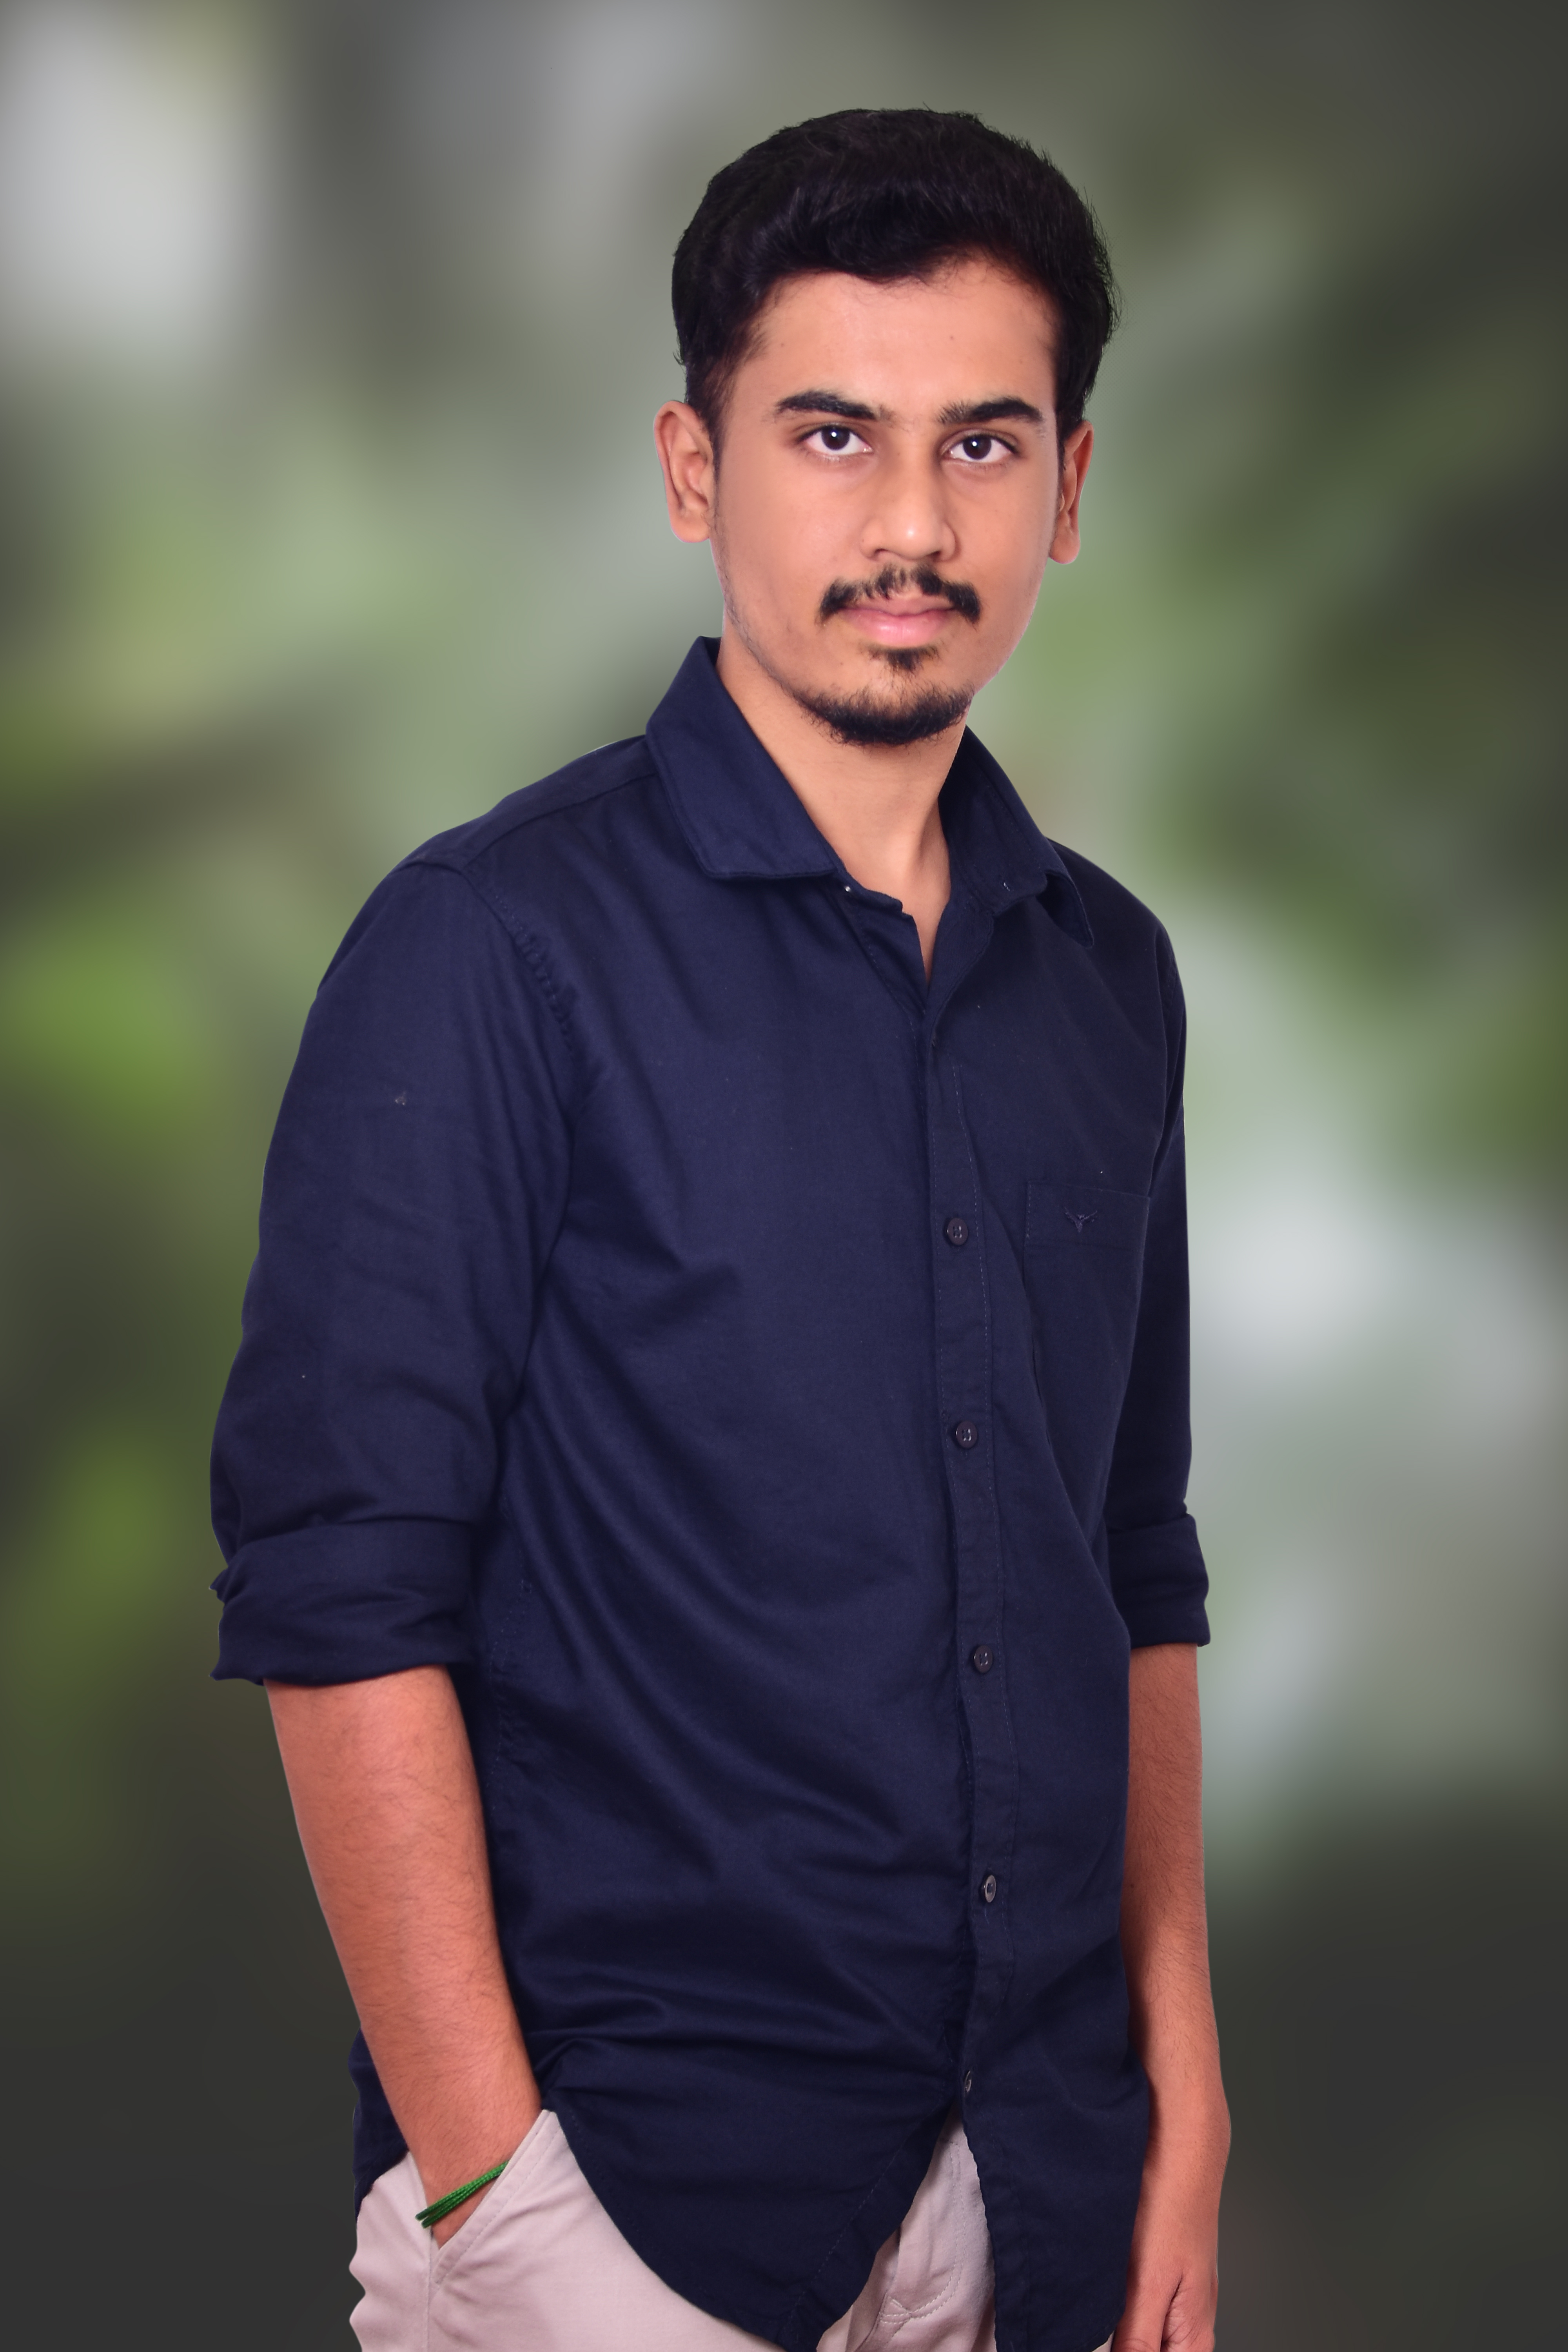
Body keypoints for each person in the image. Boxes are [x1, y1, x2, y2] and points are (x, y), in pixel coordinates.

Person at [211, 107, 1228, 2352]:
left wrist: (1191, 2084)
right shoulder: (487, 947)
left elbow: (1132, 1559)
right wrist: (501, 2208)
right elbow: (337, 1587)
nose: (911, 524)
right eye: (832, 436)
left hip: (1052, 2197)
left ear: (1068, 487)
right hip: (622, 2211)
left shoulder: (1113, 977)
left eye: (983, 444)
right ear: (695, 468)